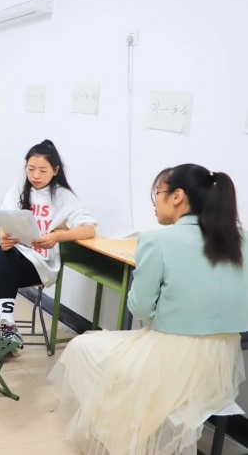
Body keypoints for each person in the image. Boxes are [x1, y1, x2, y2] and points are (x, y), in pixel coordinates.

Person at [49, 164, 248, 454]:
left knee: (82, 346)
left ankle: (121, 438)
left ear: (177, 196)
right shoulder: (239, 239)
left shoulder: (156, 241)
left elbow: (140, 309)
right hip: (222, 361)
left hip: (173, 356)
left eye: (157, 194)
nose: (155, 203)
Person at [0, 140, 97, 350]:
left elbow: (89, 229)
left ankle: (0, 331)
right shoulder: (18, 190)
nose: (35, 175)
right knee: (3, 257)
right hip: (14, 254)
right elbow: (2, 223)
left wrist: (56, 237)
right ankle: (7, 328)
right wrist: (3, 237)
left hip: (40, 263)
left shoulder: (63, 196)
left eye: (42, 171)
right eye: (30, 169)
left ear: (55, 170)